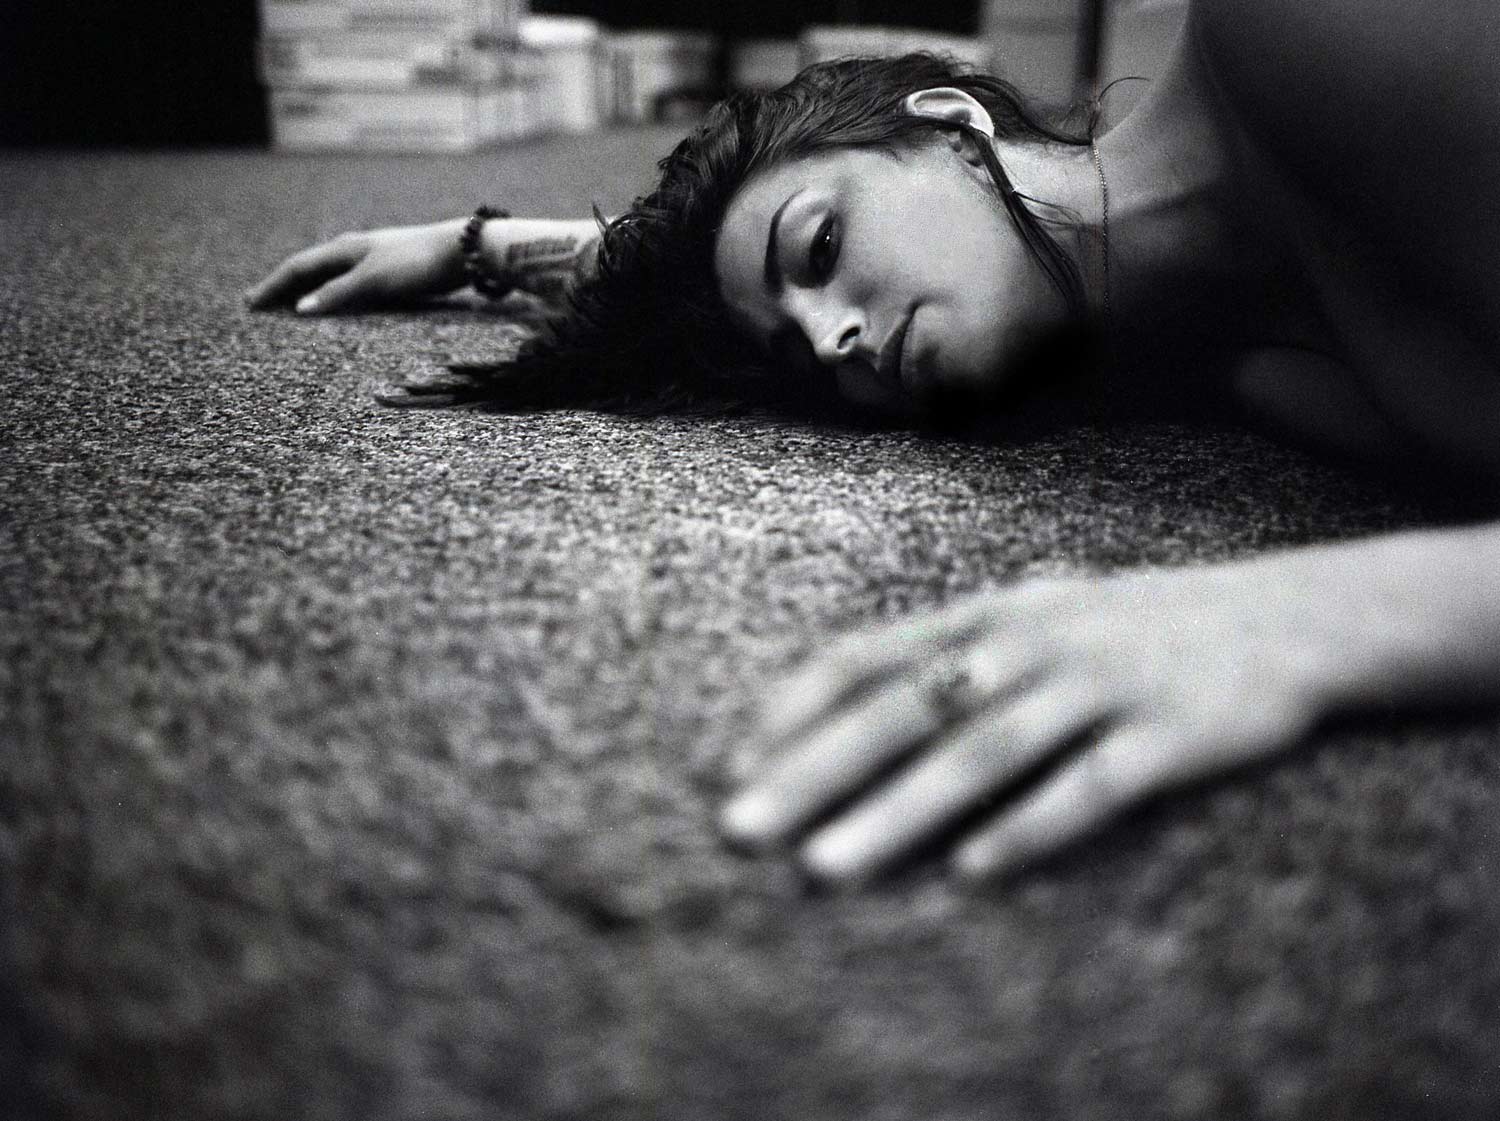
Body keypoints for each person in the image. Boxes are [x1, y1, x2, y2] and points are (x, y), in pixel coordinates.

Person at [246, 0, 1500, 887]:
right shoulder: (1149, 332)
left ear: (952, 122)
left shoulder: (1311, 31)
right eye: (803, 353)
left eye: (823, 249)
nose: (834, 339)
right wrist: (490, 246)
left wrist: (1301, 618)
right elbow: (772, 262)